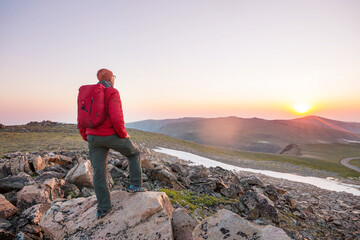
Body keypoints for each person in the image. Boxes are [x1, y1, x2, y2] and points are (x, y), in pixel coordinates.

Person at [78, 68, 146, 219]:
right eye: (114, 77)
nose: (114, 79)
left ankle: (103, 208)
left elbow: (81, 118)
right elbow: (117, 118)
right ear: (110, 79)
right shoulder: (112, 92)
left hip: (93, 138)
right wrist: (123, 135)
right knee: (134, 153)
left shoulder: (87, 94)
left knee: (99, 172)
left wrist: (87, 136)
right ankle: (135, 185)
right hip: (110, 135)